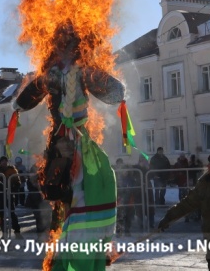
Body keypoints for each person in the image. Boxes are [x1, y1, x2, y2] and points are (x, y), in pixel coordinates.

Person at [13, 22, 125, 270]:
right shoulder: (53, 74)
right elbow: (29, 95)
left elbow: (114, 91)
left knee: (87, 188)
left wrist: (19, 105)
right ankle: (64, 252)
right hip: (62, 142)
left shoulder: (81, 72)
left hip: (75, 142)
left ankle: (84, 249)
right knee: (62, 195)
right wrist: (19, 105)